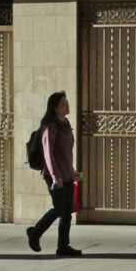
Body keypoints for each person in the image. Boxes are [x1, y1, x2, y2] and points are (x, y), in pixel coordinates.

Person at [25, 91, 81, 257]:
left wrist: (72, 172)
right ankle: (35, 232)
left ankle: (63, 246)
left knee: (67, 211)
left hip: (67, 174)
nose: (67, 106)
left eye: (67, 103)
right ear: (55, 107)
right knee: (59, 208)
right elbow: (48, 155)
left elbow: (66, 152)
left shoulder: (65, 123)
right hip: (54, 176)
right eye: (63, 104)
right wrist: (56, 178)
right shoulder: (51, 127)